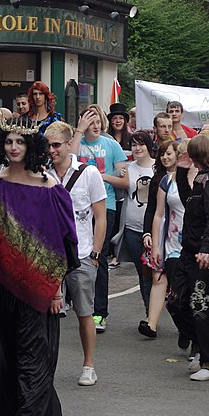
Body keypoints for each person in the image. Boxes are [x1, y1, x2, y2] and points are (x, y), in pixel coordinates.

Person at [0, 124, 78, 416]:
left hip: (39, 287)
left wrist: (57, 288)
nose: (14, 147)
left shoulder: (48, 187)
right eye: (9, 141)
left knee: (34, 353)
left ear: (32, 147)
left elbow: (61, 243)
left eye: (21, 142)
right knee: (6, 353)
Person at [45, 121, 106, 385]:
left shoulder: (88, 173)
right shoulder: (42, 173)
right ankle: (44, 366)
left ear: (70, 145)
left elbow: (100, 216)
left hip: (81, 253)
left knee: (84, 312)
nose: (51, 150)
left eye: (56, 145)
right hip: (48, 255)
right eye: (48, 145)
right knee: (47, 313)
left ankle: (89, 364)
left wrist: (95, 252)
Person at [168, 134, 209, 381]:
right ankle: (200, 345)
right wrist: (182, 173)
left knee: (201, 305)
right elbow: (187, 201)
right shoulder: (201, 179)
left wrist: (208, 249)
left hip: (201, 253)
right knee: (176, 301)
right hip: (188, 251)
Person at [71, 106, 127, 333]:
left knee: (99, 256)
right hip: (76, 207)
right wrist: (78, 131)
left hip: (106, 205)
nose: (94, 126)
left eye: (97, 122)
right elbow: (70, 160)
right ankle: (74, 302)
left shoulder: (111, 145)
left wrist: (97, 175)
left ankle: (99, 312)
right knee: (74, 254)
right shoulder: (77, 142)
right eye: (89, 121)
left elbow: (125, 181)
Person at [112, 131, 156, 321]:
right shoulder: (128, 168)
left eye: (141, 144)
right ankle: (150, 314)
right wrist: (103, 175)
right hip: (132, 228)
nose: (137, 148)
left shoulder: (158, 167)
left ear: (148, 146)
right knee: (143, 273)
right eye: (134, 145)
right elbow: (119, 184)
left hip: (155, 230)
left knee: (159, 275)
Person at [145, 140, 182, 339]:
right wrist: (151, 238)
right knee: (159, 278)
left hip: (189, 241)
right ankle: (151, 324)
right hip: (168, 239)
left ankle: (187, 329)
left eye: (169, 153)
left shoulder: (197, 177)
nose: (165, 157)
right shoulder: (163, 180)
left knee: (181, 288)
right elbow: (155, 212)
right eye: (162, 154)